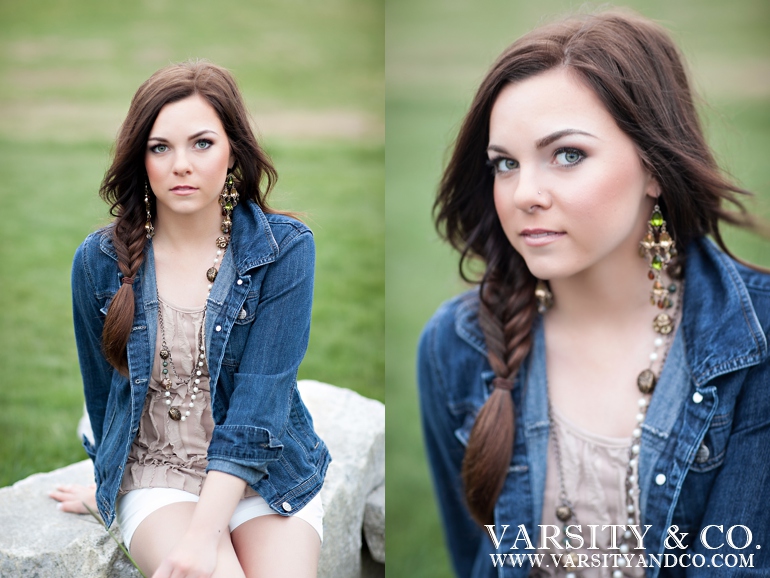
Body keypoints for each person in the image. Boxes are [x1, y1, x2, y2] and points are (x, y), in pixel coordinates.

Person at [417, 9, 770, 578]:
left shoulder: (755, 338)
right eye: (505, 163)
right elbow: (473, 558)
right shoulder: (456, 345)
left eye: (568, 155)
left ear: (653, 167)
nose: (524, 193)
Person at [50, 60, 330, 578]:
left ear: (233, 151)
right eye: (160, 147)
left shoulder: (283, 250)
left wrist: (203, 537)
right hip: (158, 472)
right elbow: (101, 389)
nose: (181, 164)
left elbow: (259, 411)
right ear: (142, 158)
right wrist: (106, 477)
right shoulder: (99, 262)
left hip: (266, 472)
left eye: (202, 143)